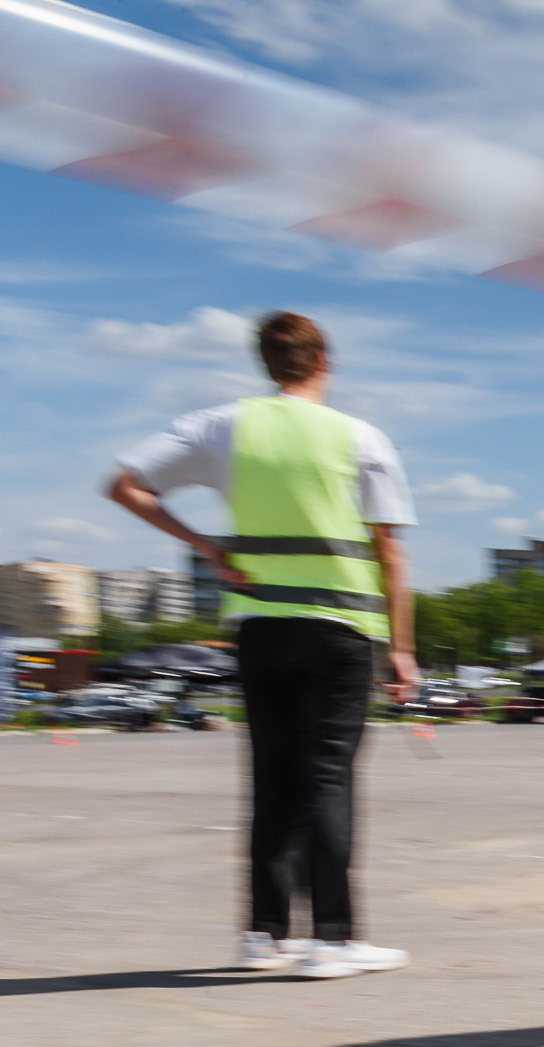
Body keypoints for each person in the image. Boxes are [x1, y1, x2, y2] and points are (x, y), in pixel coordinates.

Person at [105, 311, 416, 980]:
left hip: (259, 628)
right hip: (341, 629)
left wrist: (205, 546)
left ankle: (263, 934)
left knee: (271, 776)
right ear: (323, 362)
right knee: (328, 776)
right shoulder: (361, 437)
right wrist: (403, 647)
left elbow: (123, 485)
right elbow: (390, 552)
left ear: (266, 363)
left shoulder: (221, 426)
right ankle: (333, 939)